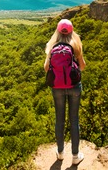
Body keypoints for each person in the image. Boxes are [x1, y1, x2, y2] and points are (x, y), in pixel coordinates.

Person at [44, 19, 86, 165]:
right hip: (74, 87)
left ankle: (60, 153)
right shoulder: (76, 45)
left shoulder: (52, 46)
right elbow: (82, 66)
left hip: (57, 88)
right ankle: (75, 156)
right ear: (71, 31)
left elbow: (46, 68)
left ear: (57, 31)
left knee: (59, 119)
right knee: (74, 120)